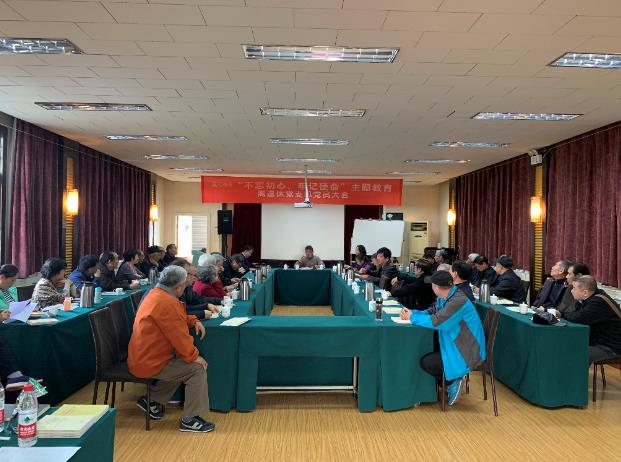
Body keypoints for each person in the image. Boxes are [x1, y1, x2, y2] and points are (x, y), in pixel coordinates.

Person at [128, 265, 214, 433]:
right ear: (178, 287)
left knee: (182, 365)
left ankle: (151, 400)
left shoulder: (156, 294)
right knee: (196, 369)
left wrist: (193, 320)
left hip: (142, 356)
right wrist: (194, 356)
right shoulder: (167, 302)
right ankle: (190, 419)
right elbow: (180, 338)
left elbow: (175, 318)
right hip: (149, 361)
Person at [400, 271, 486, 406]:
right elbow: (432, 312)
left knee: (426, 362)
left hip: (467, 351)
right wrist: (413, 313)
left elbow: (437, 321)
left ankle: (452, 381)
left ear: (436, 287)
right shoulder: (447, 296)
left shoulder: (458, 301)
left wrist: (412, 318)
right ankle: (443, 382)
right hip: (455, 343)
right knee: (424, 351)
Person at [554, 276, 621, 364]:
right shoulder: (591, 297)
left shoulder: (597, 302)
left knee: (571, 354)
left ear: (585, 292)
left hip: (611, 345)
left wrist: (561, 314)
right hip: (597, 340)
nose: (571, 291)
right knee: (562, 346)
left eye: (574, 288)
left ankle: (575, 373)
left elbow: (576, 318)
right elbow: (576, 315)